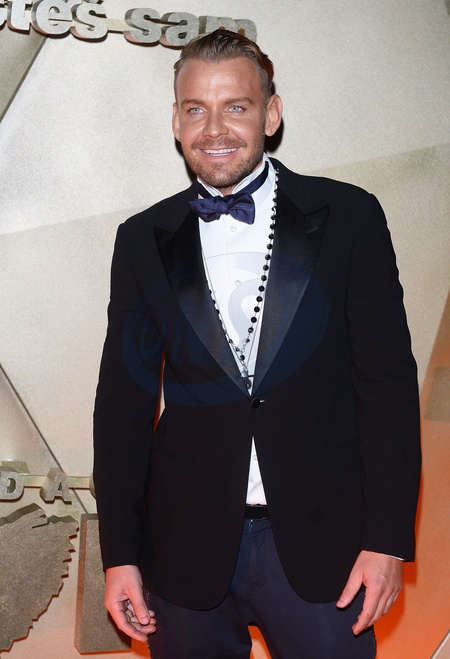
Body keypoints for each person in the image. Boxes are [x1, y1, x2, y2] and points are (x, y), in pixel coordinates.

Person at [93, 29, 421, 658]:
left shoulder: (350, 216)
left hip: (327, 547)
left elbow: (387, 388)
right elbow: (122, 408)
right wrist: (120, 556)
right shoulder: (141, 238)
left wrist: (386, 541)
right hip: (183, 547)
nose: (214, 129)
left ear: (271, 115)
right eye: (196, 109)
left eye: (236, 106)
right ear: (176, 121)